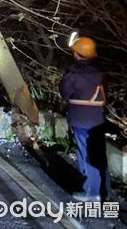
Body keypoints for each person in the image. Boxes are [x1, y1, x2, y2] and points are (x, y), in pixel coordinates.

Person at [59, 36, 111, 202]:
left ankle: (92, 193)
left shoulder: (73, 74)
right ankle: (104, 191)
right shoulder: (100, 73)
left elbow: (64, 93)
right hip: (98, 119)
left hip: (81, 120)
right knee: (98, 155)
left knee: (86, 155)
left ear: (76, 53)